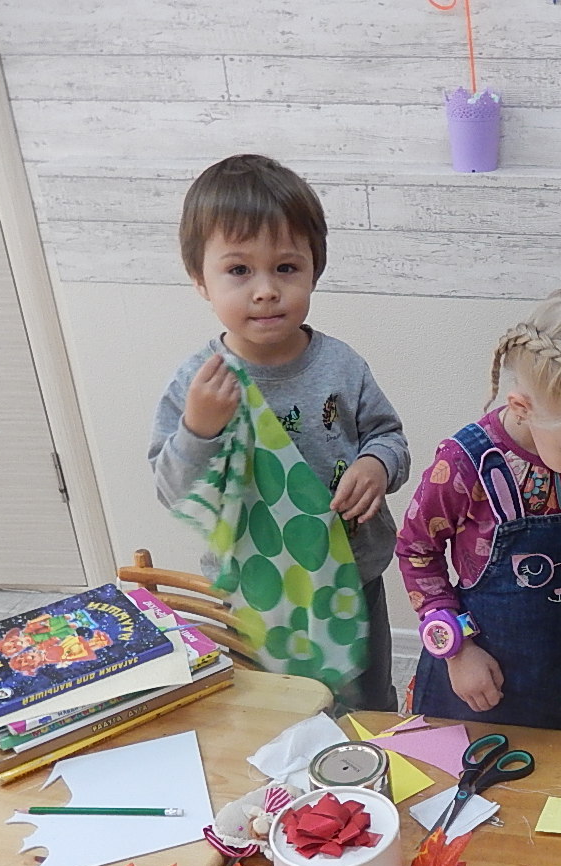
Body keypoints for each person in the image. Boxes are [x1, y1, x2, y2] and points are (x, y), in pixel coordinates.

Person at [148, 153, 409, 709]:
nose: (265, 290)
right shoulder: (200, 383)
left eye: (286, 268)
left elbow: (390, 438)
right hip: (254, 592)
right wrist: (199, 428)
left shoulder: (340, 365)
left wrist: (376, 465)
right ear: (200, 279)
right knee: (270, 708)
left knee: (366, 706)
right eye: (239, 270)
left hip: (351, 578)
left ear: (315, 269)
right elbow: (175, 493)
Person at [396, 287, 561, 733]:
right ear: (523, 409)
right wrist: (457, 650)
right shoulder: (465, 465)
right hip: (479, 680)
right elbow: (416, 550)